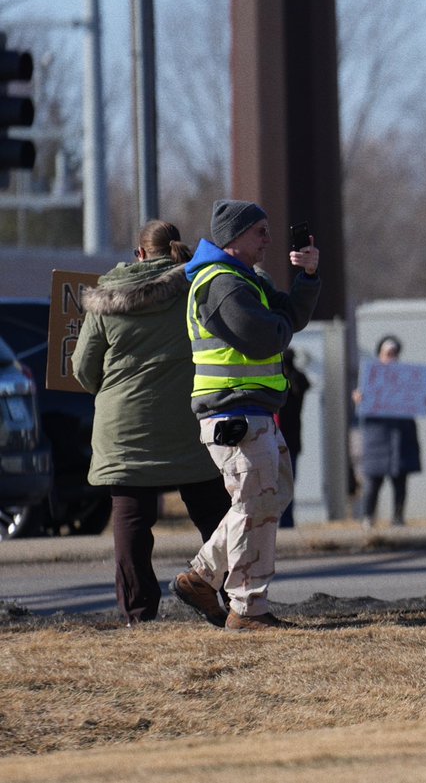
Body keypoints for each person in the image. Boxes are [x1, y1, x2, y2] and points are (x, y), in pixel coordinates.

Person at [71, 220, 231, 627]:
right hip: (189, 422)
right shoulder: (199, 288)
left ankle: (139, 615)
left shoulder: (106, 298)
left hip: (125, 429)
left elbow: (83, 369)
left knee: (131, 520)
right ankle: (233, 596)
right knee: (214, 510)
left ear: (139, 253)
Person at [170, 199, 321, 630]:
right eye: (260, 232)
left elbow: (290, 317)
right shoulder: (221, 284)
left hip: (253, 413)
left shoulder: (247, 279)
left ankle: (201, 576)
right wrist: (281, 323)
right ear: (235, 237)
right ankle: (248, 609)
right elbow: (265, 338)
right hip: (234, 414)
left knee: (267, 498)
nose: (269, 240)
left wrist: (307, 277)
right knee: (255, 503)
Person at [355, 335, 424, 528]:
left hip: (401, 438)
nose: (391, 357)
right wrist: (359, 399)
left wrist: (423, 402)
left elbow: (418, 400)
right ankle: (368, 517)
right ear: (380, 355)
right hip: (376, 438)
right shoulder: (371, 378)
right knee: (372, 482)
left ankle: (398, 517)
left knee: (400, 481)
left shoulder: (406, 378)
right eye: (387, 353)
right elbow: (361, 404)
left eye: (394, 353)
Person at [276, 347, 310, 529]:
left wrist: (288, 372)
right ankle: (276, 522)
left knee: (287, 484)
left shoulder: (296, 380)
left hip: (289, 441)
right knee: (273, 485)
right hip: (273, 439)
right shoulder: (273, 380)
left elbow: (301, 386)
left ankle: (287, 522)